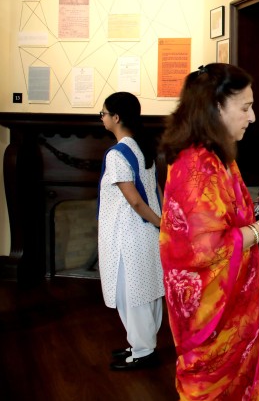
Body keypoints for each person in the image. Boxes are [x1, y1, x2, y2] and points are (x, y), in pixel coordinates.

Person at [159, 63, 259, 399]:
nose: (252, 117)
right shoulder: (196, 165)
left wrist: (258, 216)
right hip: (211, 312)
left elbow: (225, 223)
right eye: (245, 108)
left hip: (237, 304)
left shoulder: (219, 157)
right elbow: (207, 247)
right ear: (216, 107)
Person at [97, 91, 164, 371]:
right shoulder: (142, 147)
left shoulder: (117, 154)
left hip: (128, 234)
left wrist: (161, 224)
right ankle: (141, 343)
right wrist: (160, 222)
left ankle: (143, 351)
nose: (101, 118)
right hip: (146, 232)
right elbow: (156, 190)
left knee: (131, 293)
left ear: (116, 117)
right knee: (148, 289)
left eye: (103, 113)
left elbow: (134, 200)